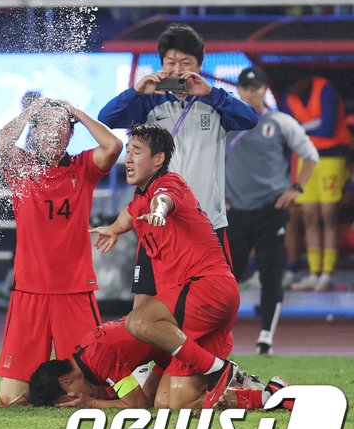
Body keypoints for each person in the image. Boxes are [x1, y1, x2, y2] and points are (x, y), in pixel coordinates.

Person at [98, 25, 257, 304]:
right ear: (161, 65)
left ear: (199, 65)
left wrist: (212, 93)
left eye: (186, 63)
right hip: (157, 221)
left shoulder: (216, 102)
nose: (177, 70)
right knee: (144, 311)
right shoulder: (148, 102)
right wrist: (135, 92)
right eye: (170, 63)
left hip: (207, 223)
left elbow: (250, 120)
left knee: (207, 307)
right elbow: (106, 118)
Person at [90, 124, 242, 410]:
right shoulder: (141, 198)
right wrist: (114, 229)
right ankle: (262, 394)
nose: (129, 159)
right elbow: (129, 214)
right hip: (202, 303)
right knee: (169, 403)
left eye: (137, 152)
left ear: (158, 159)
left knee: (140, 321)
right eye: (128, 152)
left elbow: (165, 201)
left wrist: (160, 212)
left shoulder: (168, 185)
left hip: (206, 289)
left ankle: (218, 370)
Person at [0, 97, 121, 406]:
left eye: (62, 125)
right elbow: (0, 144)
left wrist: (76, 112)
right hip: (29, 290)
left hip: (74, 290)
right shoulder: (22, 169)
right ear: (34, 132)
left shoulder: (82, 168)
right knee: (10, 399)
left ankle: (68, 394)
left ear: (71, 133)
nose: (54, 131)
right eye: (46, 124)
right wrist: (30, 111)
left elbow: (114, 146)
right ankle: (53, 394)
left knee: (97, 388)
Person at [225, 67, 317, 355]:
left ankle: (266, 337)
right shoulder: (226, 123)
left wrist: (296, 190)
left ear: (265, 90)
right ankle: (218, 333)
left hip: (270, 210)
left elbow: (310, 156)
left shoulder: (280, 122)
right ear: (238, 91)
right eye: (246, 88)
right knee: (226, 278)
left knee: (271, 273)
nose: (251, 93)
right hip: (234, 210)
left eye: (256, 88)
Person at [27, 318, 288, 410]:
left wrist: (90, 403)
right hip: (173, 349)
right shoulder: (88, 352)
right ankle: (227, 378)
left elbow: (137, 406)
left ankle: (264, 396)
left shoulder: (99, 359)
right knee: (158, 400)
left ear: (66, 381)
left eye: (69, 399)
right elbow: (140, 399)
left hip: (196, 341)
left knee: (171, 402)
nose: (76, 400)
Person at [280, 75, 349, 292]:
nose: (293, 87)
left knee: (328, 213)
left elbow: (328, 128)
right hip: (306, 159)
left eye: (296, 82)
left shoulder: (324, 89)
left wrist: (300, 129)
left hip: (331, 156)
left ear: (304, 79)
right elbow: (288, 131)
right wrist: (309, 128)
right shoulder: (288, 97)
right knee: (309, 213)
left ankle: (327, 273)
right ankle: (313, 272)